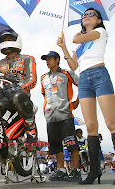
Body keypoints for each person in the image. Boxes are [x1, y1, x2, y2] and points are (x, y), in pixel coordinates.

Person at [57, 7, 115, 185]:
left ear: (98, 20)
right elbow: (73, 66)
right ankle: (94, 170)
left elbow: (76, 38)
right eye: (84, 15)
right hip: (84, 79)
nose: (87, 17)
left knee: (112, 123)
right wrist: (64, 47)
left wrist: (70, 40)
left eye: (91, 15)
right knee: (90, 126)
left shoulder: (100, 32)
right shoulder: (79, 45)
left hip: (99, 74)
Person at [40, 51, 81, 181]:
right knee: (56, 144)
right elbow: (44, 94)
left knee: (72, 143)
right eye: (46, 59)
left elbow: (82, 84)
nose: (47, 61)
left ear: (57, 59)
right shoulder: (43, 78)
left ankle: (75, 171)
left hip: (65, 114)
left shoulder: (66, 74)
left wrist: (77, 101)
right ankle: (61, 170)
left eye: (50, 59)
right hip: (50, 116)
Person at [0, 29, 37, 140]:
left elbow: (32, 79)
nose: (6, 42)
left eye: (9, 39)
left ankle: (30, 125)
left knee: (18, 96)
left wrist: (20, 88)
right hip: (4, 94)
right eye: (4, 40)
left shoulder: (27, 59)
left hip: (21, 94)